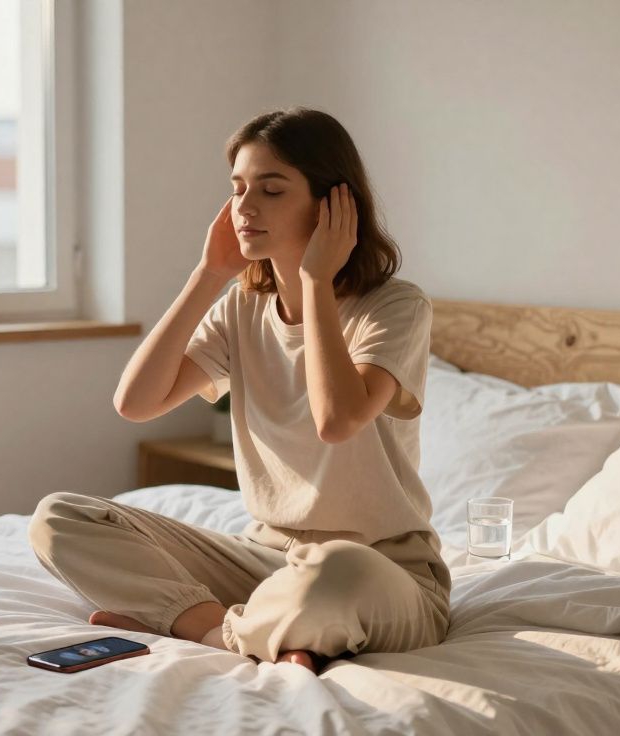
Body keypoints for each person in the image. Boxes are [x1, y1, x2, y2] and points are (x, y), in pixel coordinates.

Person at [29, 107, 450, 674]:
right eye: (238, 188)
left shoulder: (396, 308)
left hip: (382, 571)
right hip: (265, 560)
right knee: (60, 517)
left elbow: (337, 420)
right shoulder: (242, 306)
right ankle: (227, 630)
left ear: (333, 204)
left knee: (334, 571)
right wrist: (208, 274)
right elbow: (136, 403)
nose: (244, 208)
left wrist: (316, 281)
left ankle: (195, 623)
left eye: (271, 190)